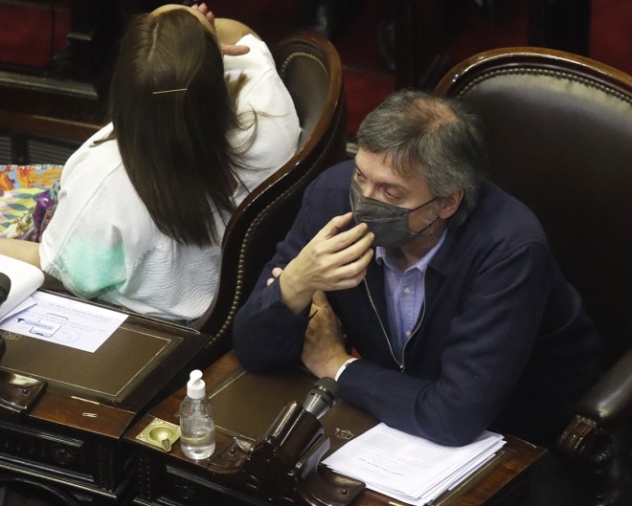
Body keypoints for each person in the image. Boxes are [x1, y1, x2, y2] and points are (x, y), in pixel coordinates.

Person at [232, 89, 603, 449]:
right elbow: (253, 351)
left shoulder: (508, 250)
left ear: (447, 203)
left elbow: (456, 416)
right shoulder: (333, 201)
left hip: (515, 434)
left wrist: (337, 365)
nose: (363, 204)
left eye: (391, 193)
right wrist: (295, 284)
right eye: (361, 176)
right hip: (394, 419)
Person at [0, 3, 300, 321]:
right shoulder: (266, 105)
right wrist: (200, 38)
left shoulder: (107, 182)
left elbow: (56, 271)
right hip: (228, 297)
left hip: (135, 319)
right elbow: (241, 32)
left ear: (120, 86)